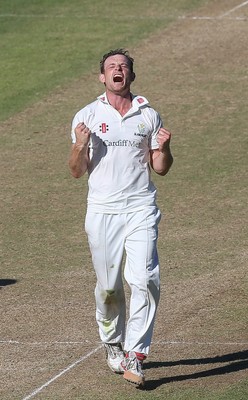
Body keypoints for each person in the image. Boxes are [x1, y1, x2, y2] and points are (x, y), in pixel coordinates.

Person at [69, 48, 173, 388]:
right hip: (102, 210)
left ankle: (135, 354)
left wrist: (165, 148)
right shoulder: (86, 115)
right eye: (112, 66)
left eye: (124, 66)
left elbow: (161, 167)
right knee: (110, 288)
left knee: (144, 279)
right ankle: (112, 339)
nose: (118, 70)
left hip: (141, 207)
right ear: (102, 77)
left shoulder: (149, 115)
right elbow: (75, 171)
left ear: (131, 76)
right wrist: (80, 145)